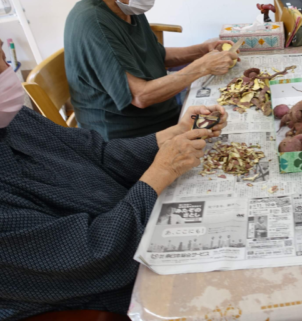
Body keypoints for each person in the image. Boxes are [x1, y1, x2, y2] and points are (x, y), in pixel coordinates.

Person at [0, 38, 229, 320]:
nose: (7, 71)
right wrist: (160, 173)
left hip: (125, 215)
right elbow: (89, 253)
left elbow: (98, 153)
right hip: (101, 286)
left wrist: (171, 135)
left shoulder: (12, 119)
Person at [64, 0, 239, 140]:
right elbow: (141, 95)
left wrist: (203, 50)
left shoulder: (124, 5)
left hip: (162, 112)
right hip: (128, 138)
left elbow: (158, 56)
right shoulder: (92, 23)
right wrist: (203, 66)